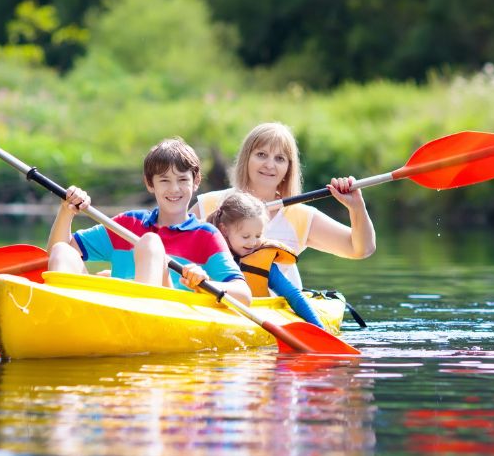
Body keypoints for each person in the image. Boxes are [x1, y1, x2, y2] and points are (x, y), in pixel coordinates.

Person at [47, 137, 253, 305]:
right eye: (164, 180)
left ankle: (138, 312)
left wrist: (204, 282)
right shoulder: (128, 223)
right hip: (111, 314)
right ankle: (61, 316)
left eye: (182, 180)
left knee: (150, 243)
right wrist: (67, 211)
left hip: (163, 316)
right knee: (62, 251)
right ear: (150, 184)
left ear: (196, 181)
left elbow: (244, 294)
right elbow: (56, 254)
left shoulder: (206, 236)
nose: (174, 189)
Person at [190, 122, 376, 289]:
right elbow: (170, 242)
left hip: (277, 311)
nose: (270, 165)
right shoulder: (210, 204)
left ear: (289, 168)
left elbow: (361, 249)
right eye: (261, 155)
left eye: (280, 158)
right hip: (216, 303)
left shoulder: (300, 216)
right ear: (247, 159)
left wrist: (356, 207)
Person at [207, 190, 324, 327]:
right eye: (245, 236)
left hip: (253, 319)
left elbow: (293, 295)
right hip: (211, 314)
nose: (252, 243)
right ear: (224, 229)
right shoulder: (209, 254)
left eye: (258, 236)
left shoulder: (263, 263)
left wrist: (319, 328)